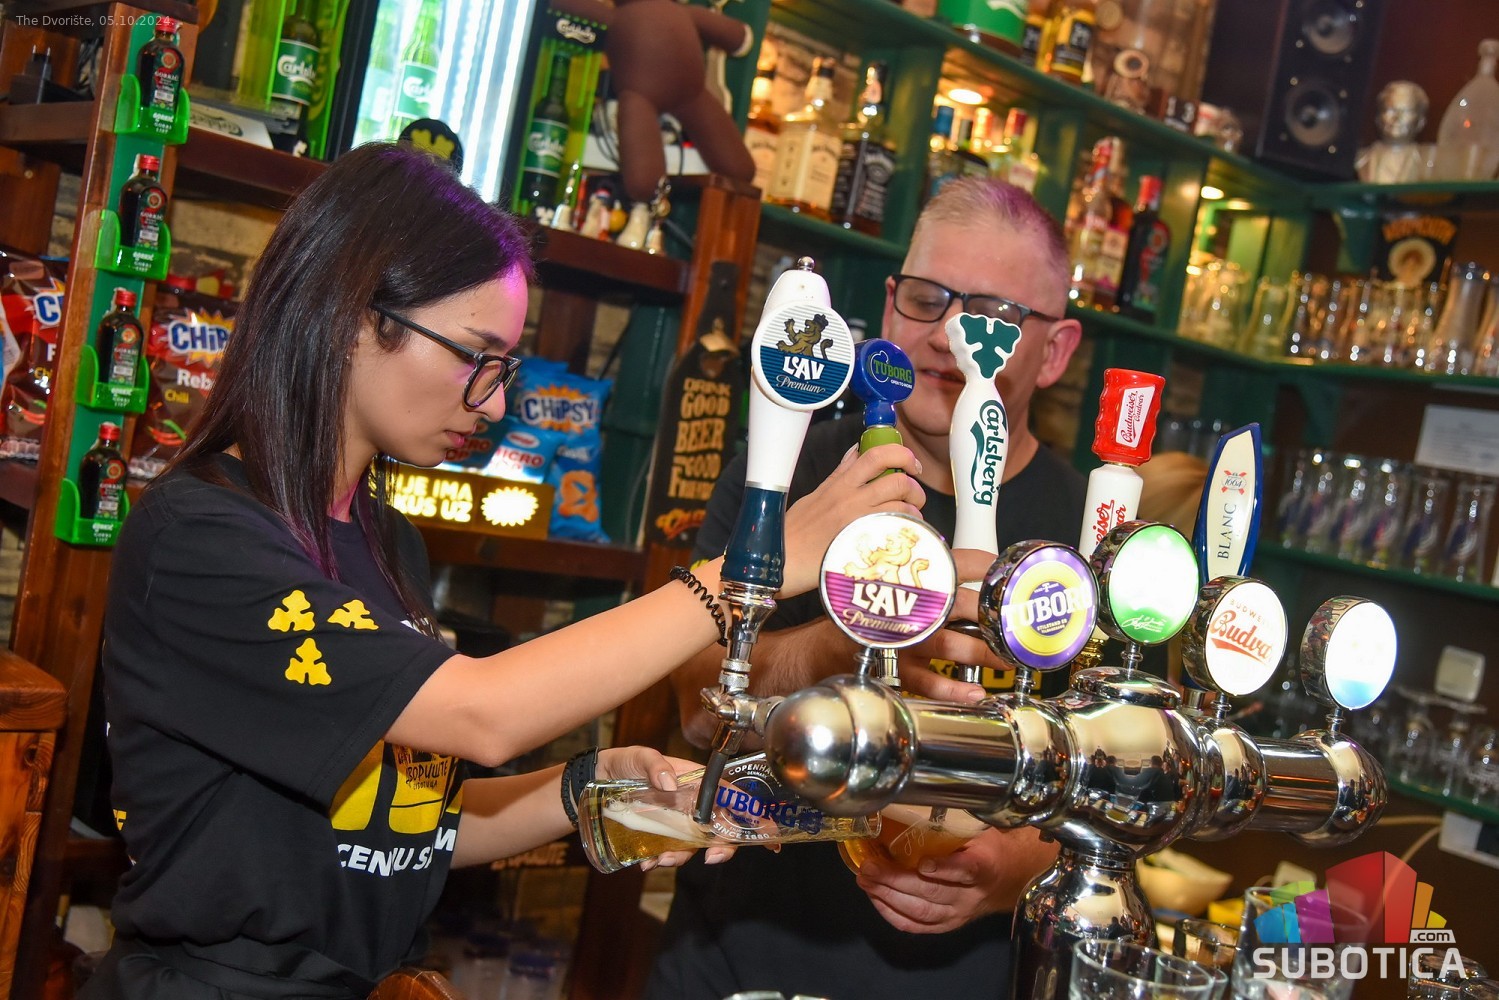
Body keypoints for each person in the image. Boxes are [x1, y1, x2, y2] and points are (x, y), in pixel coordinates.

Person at [82, 144, 927, 1000]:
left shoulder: (385, 541)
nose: (491, 402)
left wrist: (587, 787)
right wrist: (753, 567)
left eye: (504, 369)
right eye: (473, 356)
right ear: (350, 316)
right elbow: (481, 714)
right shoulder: (199, 539)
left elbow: (404, 828)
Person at [645, 177, 1088, 1000]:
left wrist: (1009, 869)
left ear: (1055, 350)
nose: (948, 336)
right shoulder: (787, 465)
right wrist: (837, 648)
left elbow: (1113, 788)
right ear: (888, 307)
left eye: (992, 316)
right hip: (738, 957)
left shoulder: (1091, 535)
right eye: (926, 299)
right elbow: (699, 708)